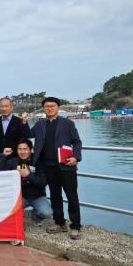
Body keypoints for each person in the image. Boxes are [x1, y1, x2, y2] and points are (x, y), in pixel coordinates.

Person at [29, 97, 83, 240]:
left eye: (52, 106)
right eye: (47, 106)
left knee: (72, 196)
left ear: (58, 107)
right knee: (55, 196)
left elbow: (77, 142)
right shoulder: (40, 124)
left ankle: (75, 226)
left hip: (66, 166)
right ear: (44, 108)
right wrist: (22, 122)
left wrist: (75, 157)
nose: (50, 108)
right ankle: (59, 223)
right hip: (48, 167)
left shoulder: (67, 123)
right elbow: (28, 134)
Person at [5, 139, 52, 226]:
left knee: (47, 213)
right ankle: (18, 214)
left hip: (37, 196)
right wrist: (2, 156)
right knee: (8, 209)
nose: (22, 152)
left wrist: (28, 175)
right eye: (20, 149)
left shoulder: (38, 162)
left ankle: (35, 214)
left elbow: (43, 182)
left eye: (25, 149)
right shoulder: (12, 162)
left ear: (31, 150)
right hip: (20, 197)